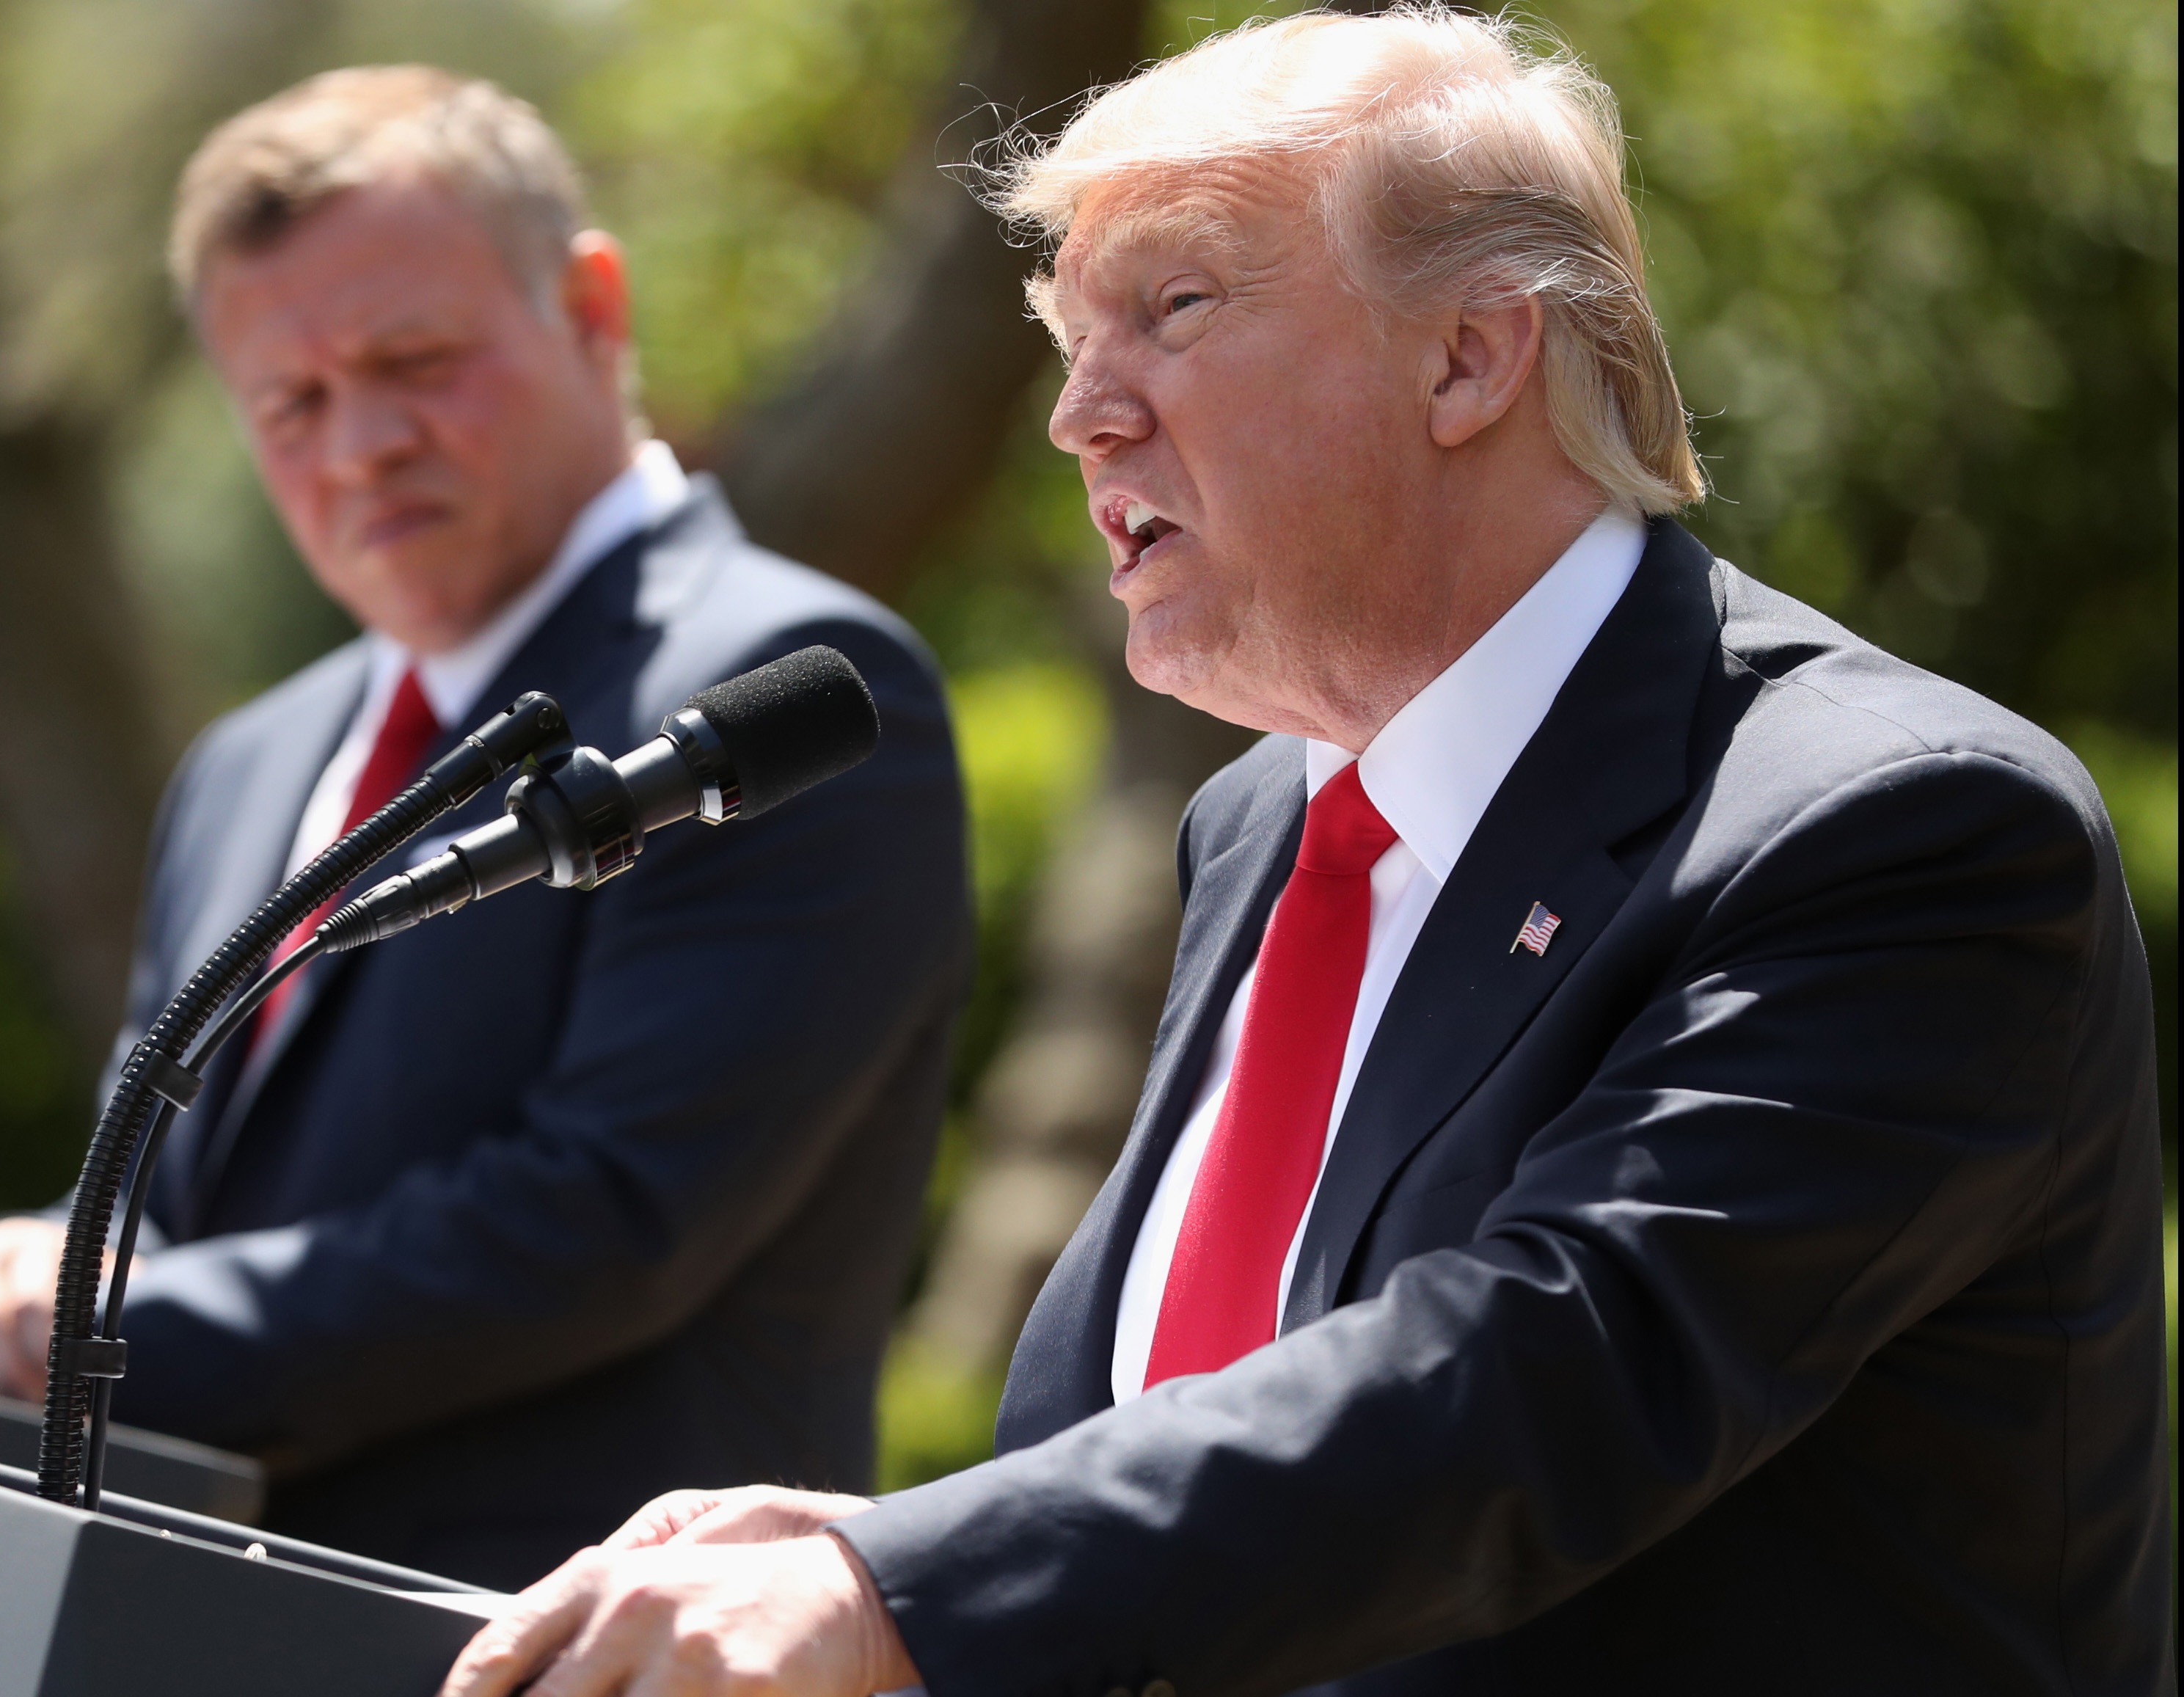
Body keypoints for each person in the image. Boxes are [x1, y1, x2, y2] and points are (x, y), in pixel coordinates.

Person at [441, 10, 2172, 1694]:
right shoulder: (1263, 817)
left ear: (1466, 357)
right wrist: (912, 1554)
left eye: (1172, 309)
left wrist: (904, 1589)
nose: (1077, 415)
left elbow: (1541, 1376)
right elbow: (1208, 1423)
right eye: (1068, 341)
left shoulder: (1897, 828)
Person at [0, 66, 973, 1589]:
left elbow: (604, 1216)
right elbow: (172, 1190)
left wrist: (74, 1333)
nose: (357, 445)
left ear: (592, 309)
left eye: (414, 361)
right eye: (289, 403)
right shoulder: (247, 761)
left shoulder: (769, 691)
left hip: (578, 1634)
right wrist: (19, 1271)